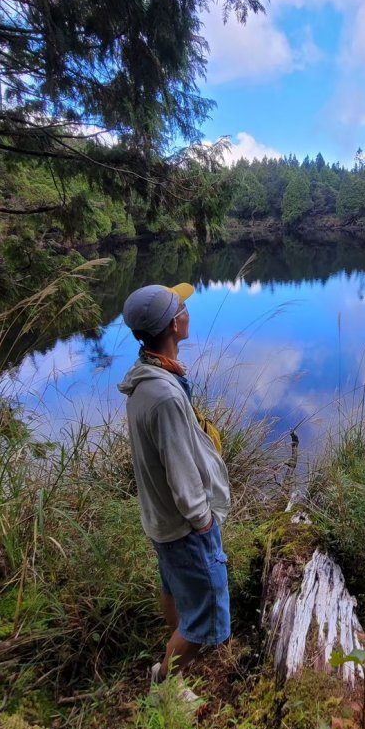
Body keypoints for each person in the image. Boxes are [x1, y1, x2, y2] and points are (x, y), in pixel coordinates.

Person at [118, 282, 231, 691]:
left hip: (163, 521)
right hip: (185, 527)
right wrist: (202, 520)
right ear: (173, 324)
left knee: (174, 587)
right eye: (181, 306)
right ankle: (165, 682)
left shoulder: (148, 378)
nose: (187, 310)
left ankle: (171, 648)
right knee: (207, 624)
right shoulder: (163, 396)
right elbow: (181, 470)